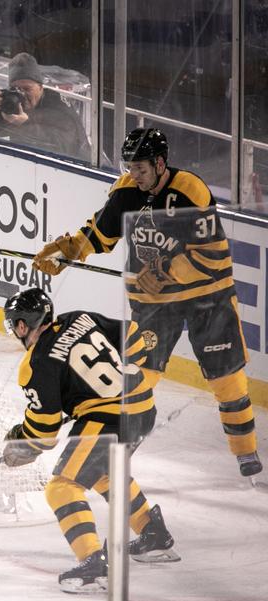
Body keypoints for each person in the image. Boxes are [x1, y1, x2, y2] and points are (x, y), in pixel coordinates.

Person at [32, 128, 262, 478]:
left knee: (227, 379)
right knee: (136, 377)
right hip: (154, 304)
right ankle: (117, 451)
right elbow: (100, 234)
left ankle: (246, 455)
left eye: (140, 168)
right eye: (129, 167)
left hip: (208, 298)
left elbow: (215, 256)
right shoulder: (126, 191)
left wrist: (166, 270)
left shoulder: (190, 191)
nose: (133, 175)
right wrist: (65, 251)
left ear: (159, 163)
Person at [2, 288, 180, 594]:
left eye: (13, 325)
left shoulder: (35, 363)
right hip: (142, 407)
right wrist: (125, 376)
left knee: (62, 487)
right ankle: (153, 534)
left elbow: (44, 432)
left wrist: (22, 441)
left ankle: (93, 565)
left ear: (22, 326)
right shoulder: (78, 318)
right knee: (101, 473)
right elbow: (134, 334)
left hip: (107, 421)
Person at [0, 52, 89, 159]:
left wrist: (26, 124)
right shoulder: (10, 102)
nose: (21, 94)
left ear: (41, 88)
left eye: (27, 89)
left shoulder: (59, 108)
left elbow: (64, 148)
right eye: (15, 89)